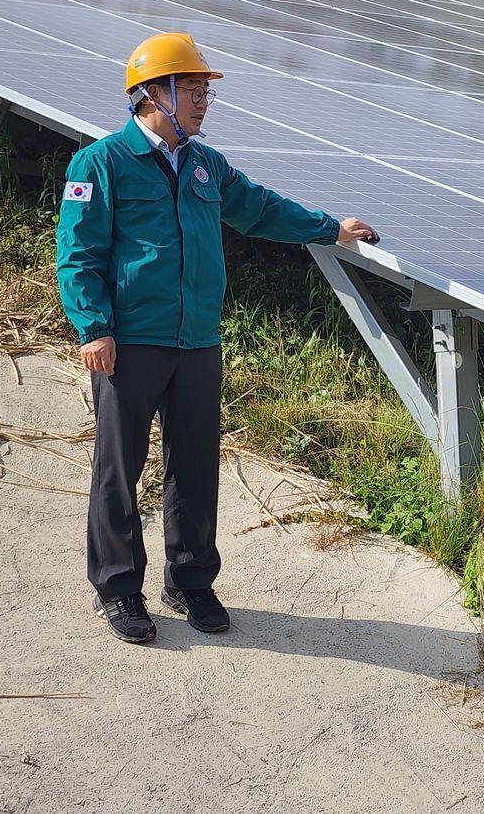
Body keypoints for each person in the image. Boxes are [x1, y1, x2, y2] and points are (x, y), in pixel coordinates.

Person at [56, 32, 378, 644]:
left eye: (206, 90)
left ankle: (191, 582)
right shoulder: (99, 163)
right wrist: (93, 327)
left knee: (197, 466)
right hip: (130, 341)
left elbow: (258, 208)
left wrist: (329, 228)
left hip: (198, 339)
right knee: (119, 470)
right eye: (194, 89)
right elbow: (78, 253)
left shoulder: (207, 164)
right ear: (154, 93)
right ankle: (120, 590)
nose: (205, 100)